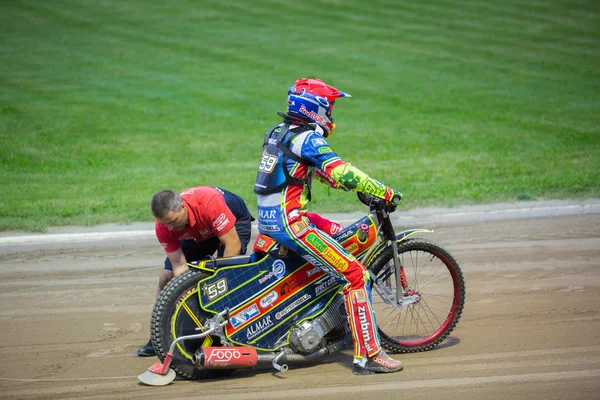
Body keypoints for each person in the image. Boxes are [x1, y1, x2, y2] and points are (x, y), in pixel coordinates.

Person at [254, 78, 404, 375]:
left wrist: (333, 181)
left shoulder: (278, 132)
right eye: (330, 108)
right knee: (356, 275)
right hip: (292, 223)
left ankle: (331, 316)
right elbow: (342, 170)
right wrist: (381, 190)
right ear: (315, 109)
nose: (332, 115)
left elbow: (297, 168)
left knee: (339, 235)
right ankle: (369, 356)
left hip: (269, 220)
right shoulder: (310, 139)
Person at [137, 186, 253, 357]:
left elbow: (232, 246)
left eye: (173, 221)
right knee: (166, 278)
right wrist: (188, 301)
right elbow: (179, 266)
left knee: (223, 277)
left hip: (233, 221)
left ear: (183, 207)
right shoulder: (165, 227)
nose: (169, 228)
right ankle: (161, 335)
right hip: (197, 230)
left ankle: (233, 329)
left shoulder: (208, 202)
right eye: (165, 223)